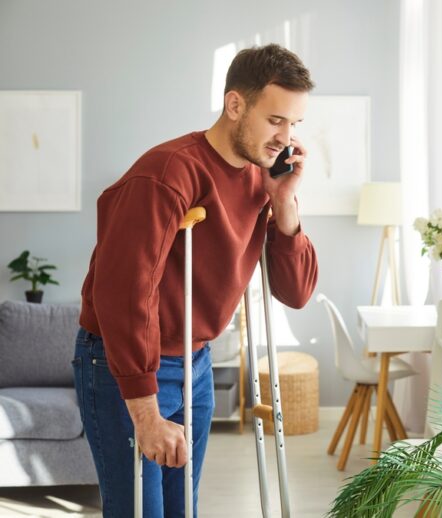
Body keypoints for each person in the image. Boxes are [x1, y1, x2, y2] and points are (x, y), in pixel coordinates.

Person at [73, 44, 318, 517]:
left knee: (182, 507)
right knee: (141, 511)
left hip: (195, 362)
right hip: (122, 362)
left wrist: (284, 201)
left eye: (294, 124)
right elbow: (123, 294)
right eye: (275, 121)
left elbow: (296, 291)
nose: (285, 139)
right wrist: (145, 413)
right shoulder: (167, 173)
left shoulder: (264, 178)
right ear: (235, 104)